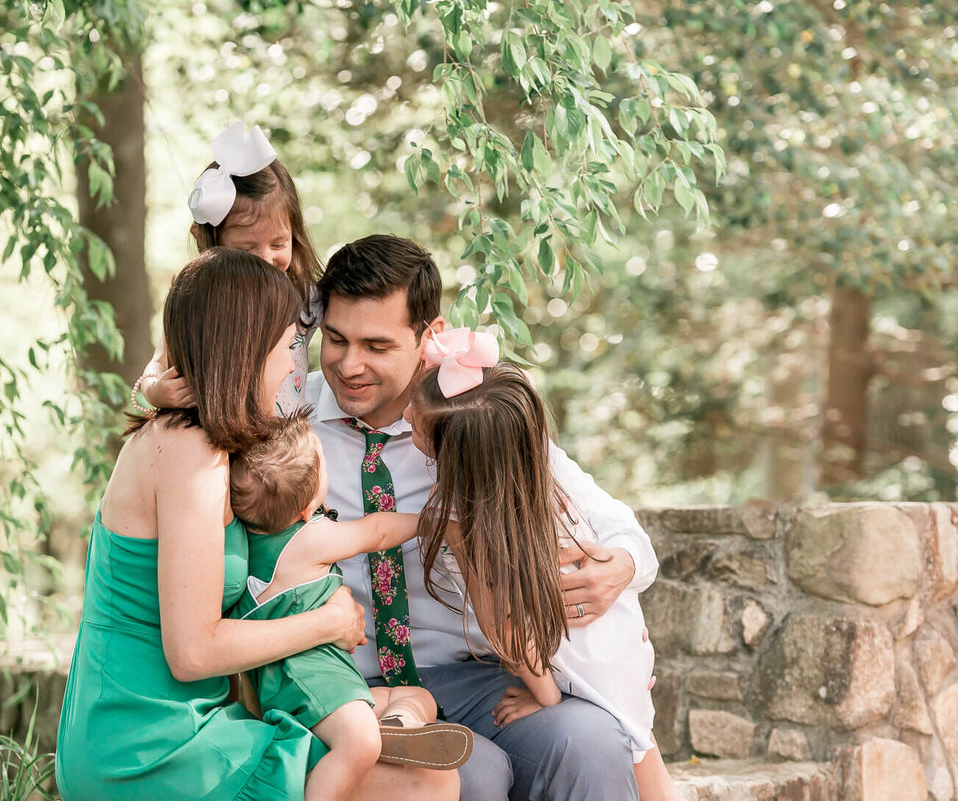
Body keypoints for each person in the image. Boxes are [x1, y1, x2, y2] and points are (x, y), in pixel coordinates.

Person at [54, 248, 458, 801]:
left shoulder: (207, 442)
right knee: (422, 785)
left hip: (184, 721)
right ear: (247, 350)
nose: (295, 365)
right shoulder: (187, 454)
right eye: (286, 345)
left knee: (417, 765)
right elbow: (192, 652)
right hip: (146, 743)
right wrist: (329, 621)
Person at [307, 234, 660, 800]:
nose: (349, 365)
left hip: (476, 676)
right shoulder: (289, 422)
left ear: (430, 336)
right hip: (354, 683)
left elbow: (620, 528)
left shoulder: (473, 422)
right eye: (336, 339)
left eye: (376, 344)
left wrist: (620, 565)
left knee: (588, 740)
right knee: (473, 773)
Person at [407, 345, 680, 801]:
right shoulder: (529, 468)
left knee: (646, 770)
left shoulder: (465, 521)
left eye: (415, 424)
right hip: (616, 638)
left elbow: (509, 633)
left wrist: (546, 697)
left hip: (583, 657)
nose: (408, 421)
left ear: (452, 454)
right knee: (646, 755)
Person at [229, 411, 474, 800]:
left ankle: (398, 724)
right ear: (307, 508)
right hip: (311, 678)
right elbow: (377, 531)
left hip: (300, 683)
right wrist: (430, 522)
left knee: (414, 697)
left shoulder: (247, 543)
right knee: (359, 744)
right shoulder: (310, 540)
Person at [137, 122, 321, 417]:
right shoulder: (196, 301)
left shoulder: (306, 296)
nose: (264, 259)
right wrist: (154, 390)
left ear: (294, 235)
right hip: (224, 445)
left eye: (278, 243)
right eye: (246, 250)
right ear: (207, 242)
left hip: (288, 446)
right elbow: (158, 362)